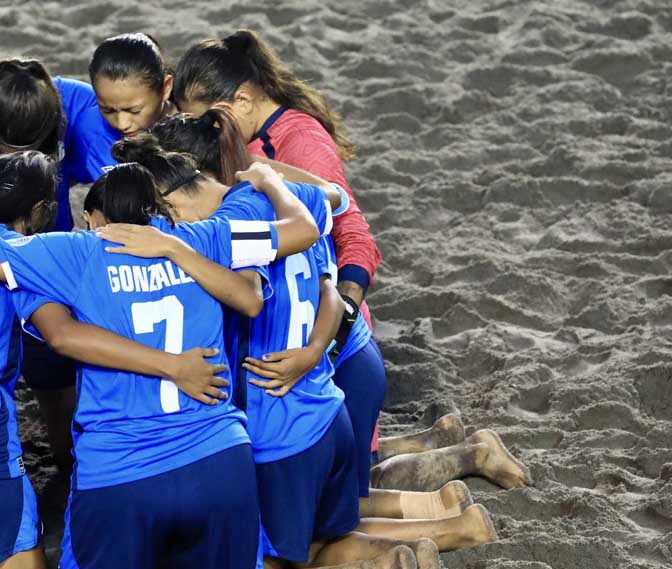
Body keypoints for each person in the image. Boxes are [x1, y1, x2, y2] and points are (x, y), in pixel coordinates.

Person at [0, 156, 335, 569]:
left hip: (120, 470)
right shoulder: (208, 237)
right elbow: (304, 231)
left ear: (95, 217)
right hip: (218, 456)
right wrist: (187, 237)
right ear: (160, 211)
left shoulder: (74, 251)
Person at [172, 31, 530, 496]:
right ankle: (439, 438)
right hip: (306, 327)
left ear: (239, 102)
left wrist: (331, 336)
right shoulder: (254, 143)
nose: (197, 133)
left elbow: (355, 235)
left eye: (201, 121)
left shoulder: (295, 143)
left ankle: (472, 455)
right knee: (342, 462)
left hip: (324, 331)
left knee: (351, 490)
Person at [98, 137, 439, 569]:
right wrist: (313, 352)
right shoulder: (288, 203)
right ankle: (434, 534)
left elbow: (249, 296)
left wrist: (174, 248)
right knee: (323, 539)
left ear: (171, 200)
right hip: (327, 406)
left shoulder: (223, 232)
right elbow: (330, 280)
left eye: (168, 214)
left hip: (282, 433)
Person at [0, 57, 118, 474]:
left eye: (34, 154)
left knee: (54, 373)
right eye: (2, 152)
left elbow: (118, 182)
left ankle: (66, 460)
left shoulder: (76, 105)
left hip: (38, 261)